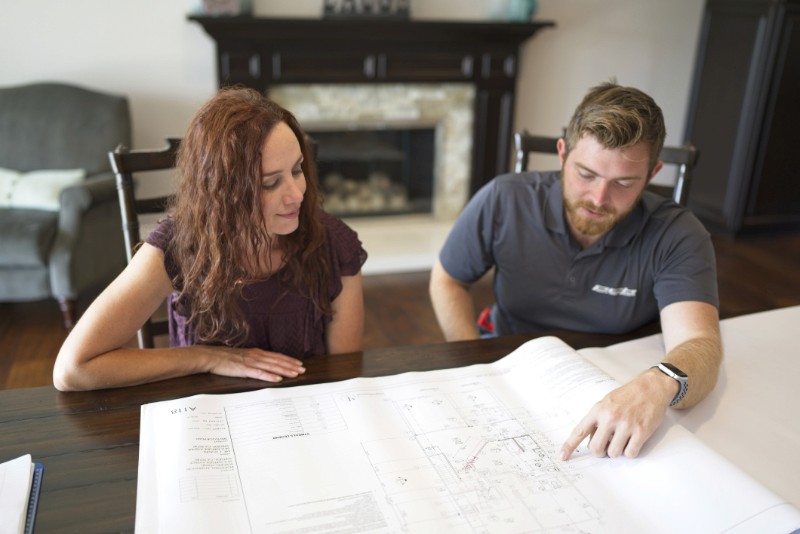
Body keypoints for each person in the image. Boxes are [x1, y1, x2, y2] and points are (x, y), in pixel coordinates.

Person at [429, 81, 721, 460]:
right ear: (563, 153)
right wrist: (475, 366)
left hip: (619, 382)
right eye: (586, 174)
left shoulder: (679, 234)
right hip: (510, 362)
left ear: (652, 174)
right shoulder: (504, 199)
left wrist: (656, 385)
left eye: (623, 183)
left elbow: (701, 345)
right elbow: (448, 279)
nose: (599, 199)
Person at [54, 87, 367, 391]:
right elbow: (73, 369)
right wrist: (208, 357)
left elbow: (344, 376)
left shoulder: (333, 244)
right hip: (209, 423)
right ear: (223, 191)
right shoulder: (177, 247)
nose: (297, 194)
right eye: (271, 183)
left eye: (297, 170)